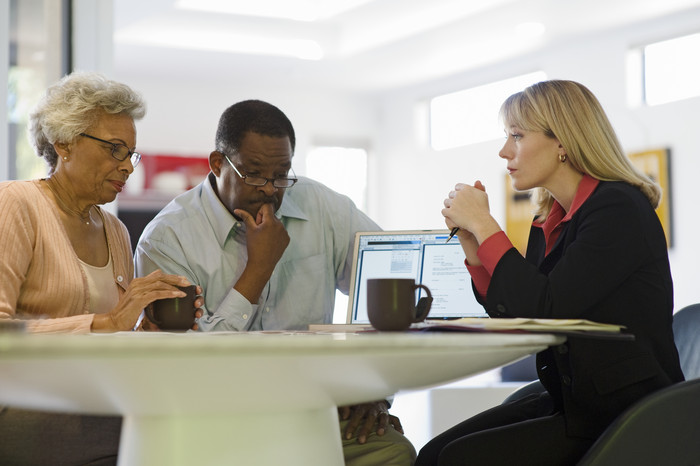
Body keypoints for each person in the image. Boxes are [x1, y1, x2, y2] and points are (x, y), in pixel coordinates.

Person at [416, 80, 684, 465]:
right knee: (433, 454)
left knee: (457, 459)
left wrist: (487, 225)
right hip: (574, 401)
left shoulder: (617, 210)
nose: (504, 151)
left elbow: (549, 307)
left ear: (563, 142)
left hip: (624, 411)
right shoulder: (548, 219)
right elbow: (523, 311)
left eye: (516, 136)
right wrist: (476, 249)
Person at [135, 99, 416, 465]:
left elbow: (391, 284)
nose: (270, 189)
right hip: (212, 419)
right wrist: (258, 269)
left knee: (394, 452)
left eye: (281, 174)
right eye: (253, 174)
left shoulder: (324, 208)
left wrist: (369, 386)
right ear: (218, 164)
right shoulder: (167, 239)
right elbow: (186, 367)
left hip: (314, 409)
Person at [0, 71, 202, 464]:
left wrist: (147, 328)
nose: (128, 167)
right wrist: (106, 323)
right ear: (64, 143)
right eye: (115, 149)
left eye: (131, 153)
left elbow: (112, 336)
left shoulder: (115, 229)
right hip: (25, 405)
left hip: (97, 400)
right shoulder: (16, 203)